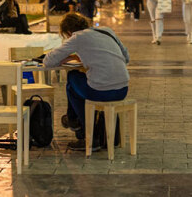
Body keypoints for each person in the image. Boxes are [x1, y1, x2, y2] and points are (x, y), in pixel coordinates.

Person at [44, 13, 129, 152]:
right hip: (122, 89)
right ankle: (75, 123)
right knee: (77, 83)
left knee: (72, 79)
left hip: (102, 91)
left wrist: (69, 56)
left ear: (69, 32)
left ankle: (85, 131)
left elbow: (48, 61)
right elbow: (126, 57)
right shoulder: (107, 31)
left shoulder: (77, 37)